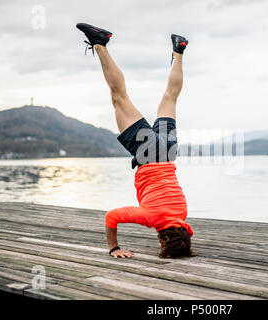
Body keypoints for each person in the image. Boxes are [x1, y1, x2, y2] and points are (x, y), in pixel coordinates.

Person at [76, 23, 195, 259]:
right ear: (165, 238)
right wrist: (114, 248)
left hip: (169, 151)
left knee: (170, 96)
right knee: (118, 96)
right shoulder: (152, 218)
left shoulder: (182, 213)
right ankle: (100, 42)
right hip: (148, 152)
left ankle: (178, 51)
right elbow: (111, 217)